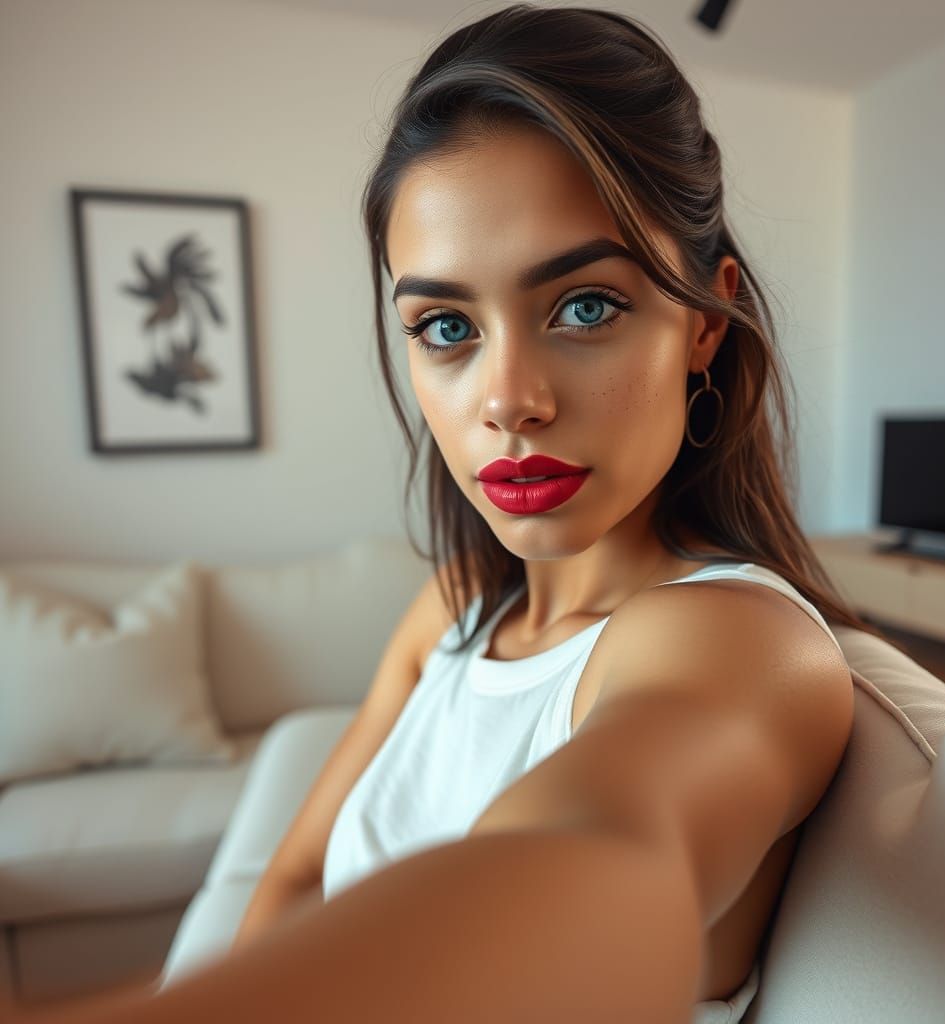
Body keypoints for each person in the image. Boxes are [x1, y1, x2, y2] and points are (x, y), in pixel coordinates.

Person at [15, 5, 887, 1022]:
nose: (507, 400)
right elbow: (296, 875)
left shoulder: (736, 641)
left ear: (703, 322)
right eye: (443, 326)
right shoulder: (458, 602)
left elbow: (595, 866)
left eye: (585, 306)